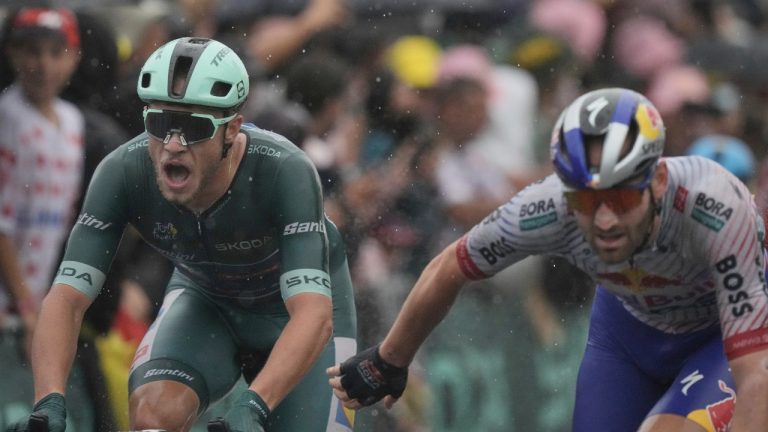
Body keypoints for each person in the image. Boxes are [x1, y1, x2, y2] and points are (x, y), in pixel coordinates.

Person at [328, 87, 768, 431]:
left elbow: (755, 373)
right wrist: (390, 359)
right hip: (628, 335)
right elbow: (450, 267)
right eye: (586, 201)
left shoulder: (713, 207)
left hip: (716, 335)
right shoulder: (544, 209)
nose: (605, 220)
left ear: (657, 181)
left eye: (620, 197)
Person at [8, 36, 357, 432]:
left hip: (301, 314)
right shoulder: (123, 171)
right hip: (207, 303)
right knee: (154, 417)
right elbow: (66, 298)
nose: (173, 145)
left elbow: (313, 314)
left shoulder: (285, 170)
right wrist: (48, 400)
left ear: (232, 129)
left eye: (194, 127)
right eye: (159, 123)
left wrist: (254, 405)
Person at [0, 7, 84, 362]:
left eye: (56, 52)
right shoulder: (7, 118)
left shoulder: (73, 121)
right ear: (12, 53)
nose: (44, 65)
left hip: (36, 301)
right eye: (32, 52)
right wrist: (24, 304)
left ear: (75, 57)